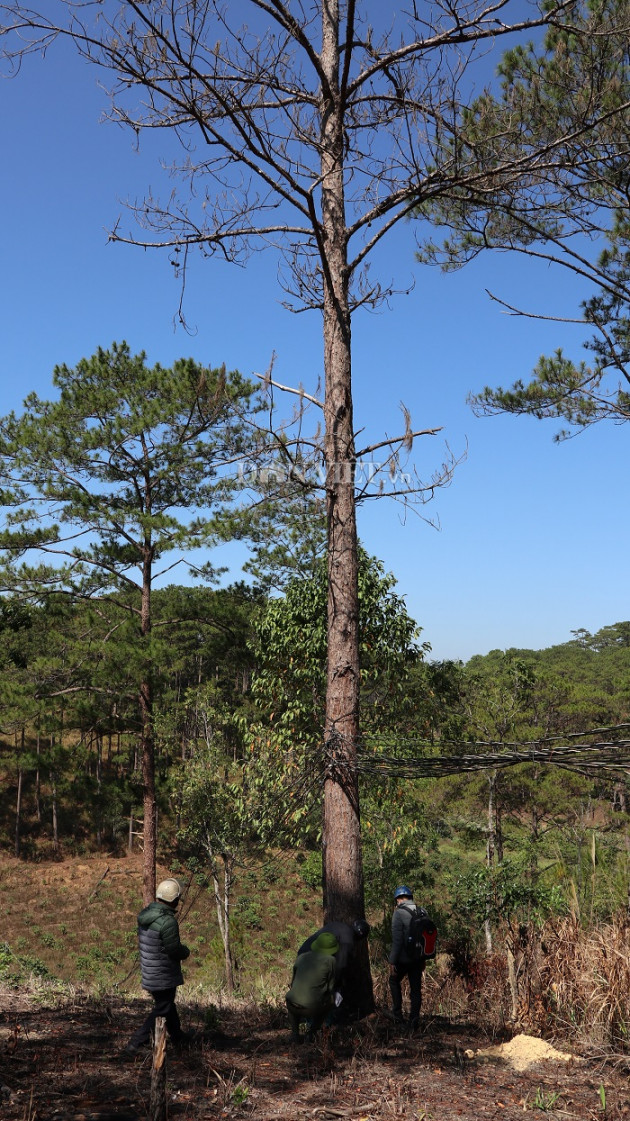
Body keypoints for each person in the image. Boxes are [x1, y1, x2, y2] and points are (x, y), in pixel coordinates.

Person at [124, 877, 191, 1055]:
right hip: (163, 974)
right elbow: (173, 949)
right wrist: (186, 951)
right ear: (174, 899)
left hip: (150, 971)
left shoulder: (146, 916)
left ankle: (178, 1037)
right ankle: (136, 1042)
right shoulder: (167, 922)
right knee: (163, 1007)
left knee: (167, 1005)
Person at [297, 918, 371, 1020]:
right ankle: (319, 1023)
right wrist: (337, 987)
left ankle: (303, 1018)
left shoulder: (338, 926)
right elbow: (341, 965)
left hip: (303, 954)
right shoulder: (347, 940)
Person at [285, 931, 340, 1042]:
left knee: (293, 1000)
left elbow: (293, 983)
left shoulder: (302, 956)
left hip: (291, 1004)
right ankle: (312, 1032)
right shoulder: (331, 961)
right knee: (332, 1001)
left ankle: (295, 1034)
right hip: (312, 1008)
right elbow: (330, 988)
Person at [388, 884, 424, 1030]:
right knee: (416, 989)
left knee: (393, 980)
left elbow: (397, 941)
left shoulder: (399, 913)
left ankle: (397, 1015)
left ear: (399, 899)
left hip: (404, 958)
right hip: (418, 958)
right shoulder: (422, 911)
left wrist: (392, 961)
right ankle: (414, 1020)